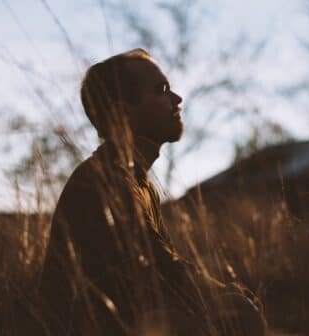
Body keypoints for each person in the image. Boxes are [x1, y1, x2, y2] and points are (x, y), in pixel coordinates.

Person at [39, 49, 265, 335]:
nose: (177, 100)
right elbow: (161, 272)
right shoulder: (106, 181)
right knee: (237, 312)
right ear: (122, 113)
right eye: (162, 90)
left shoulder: (138, 180)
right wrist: (225, 294)